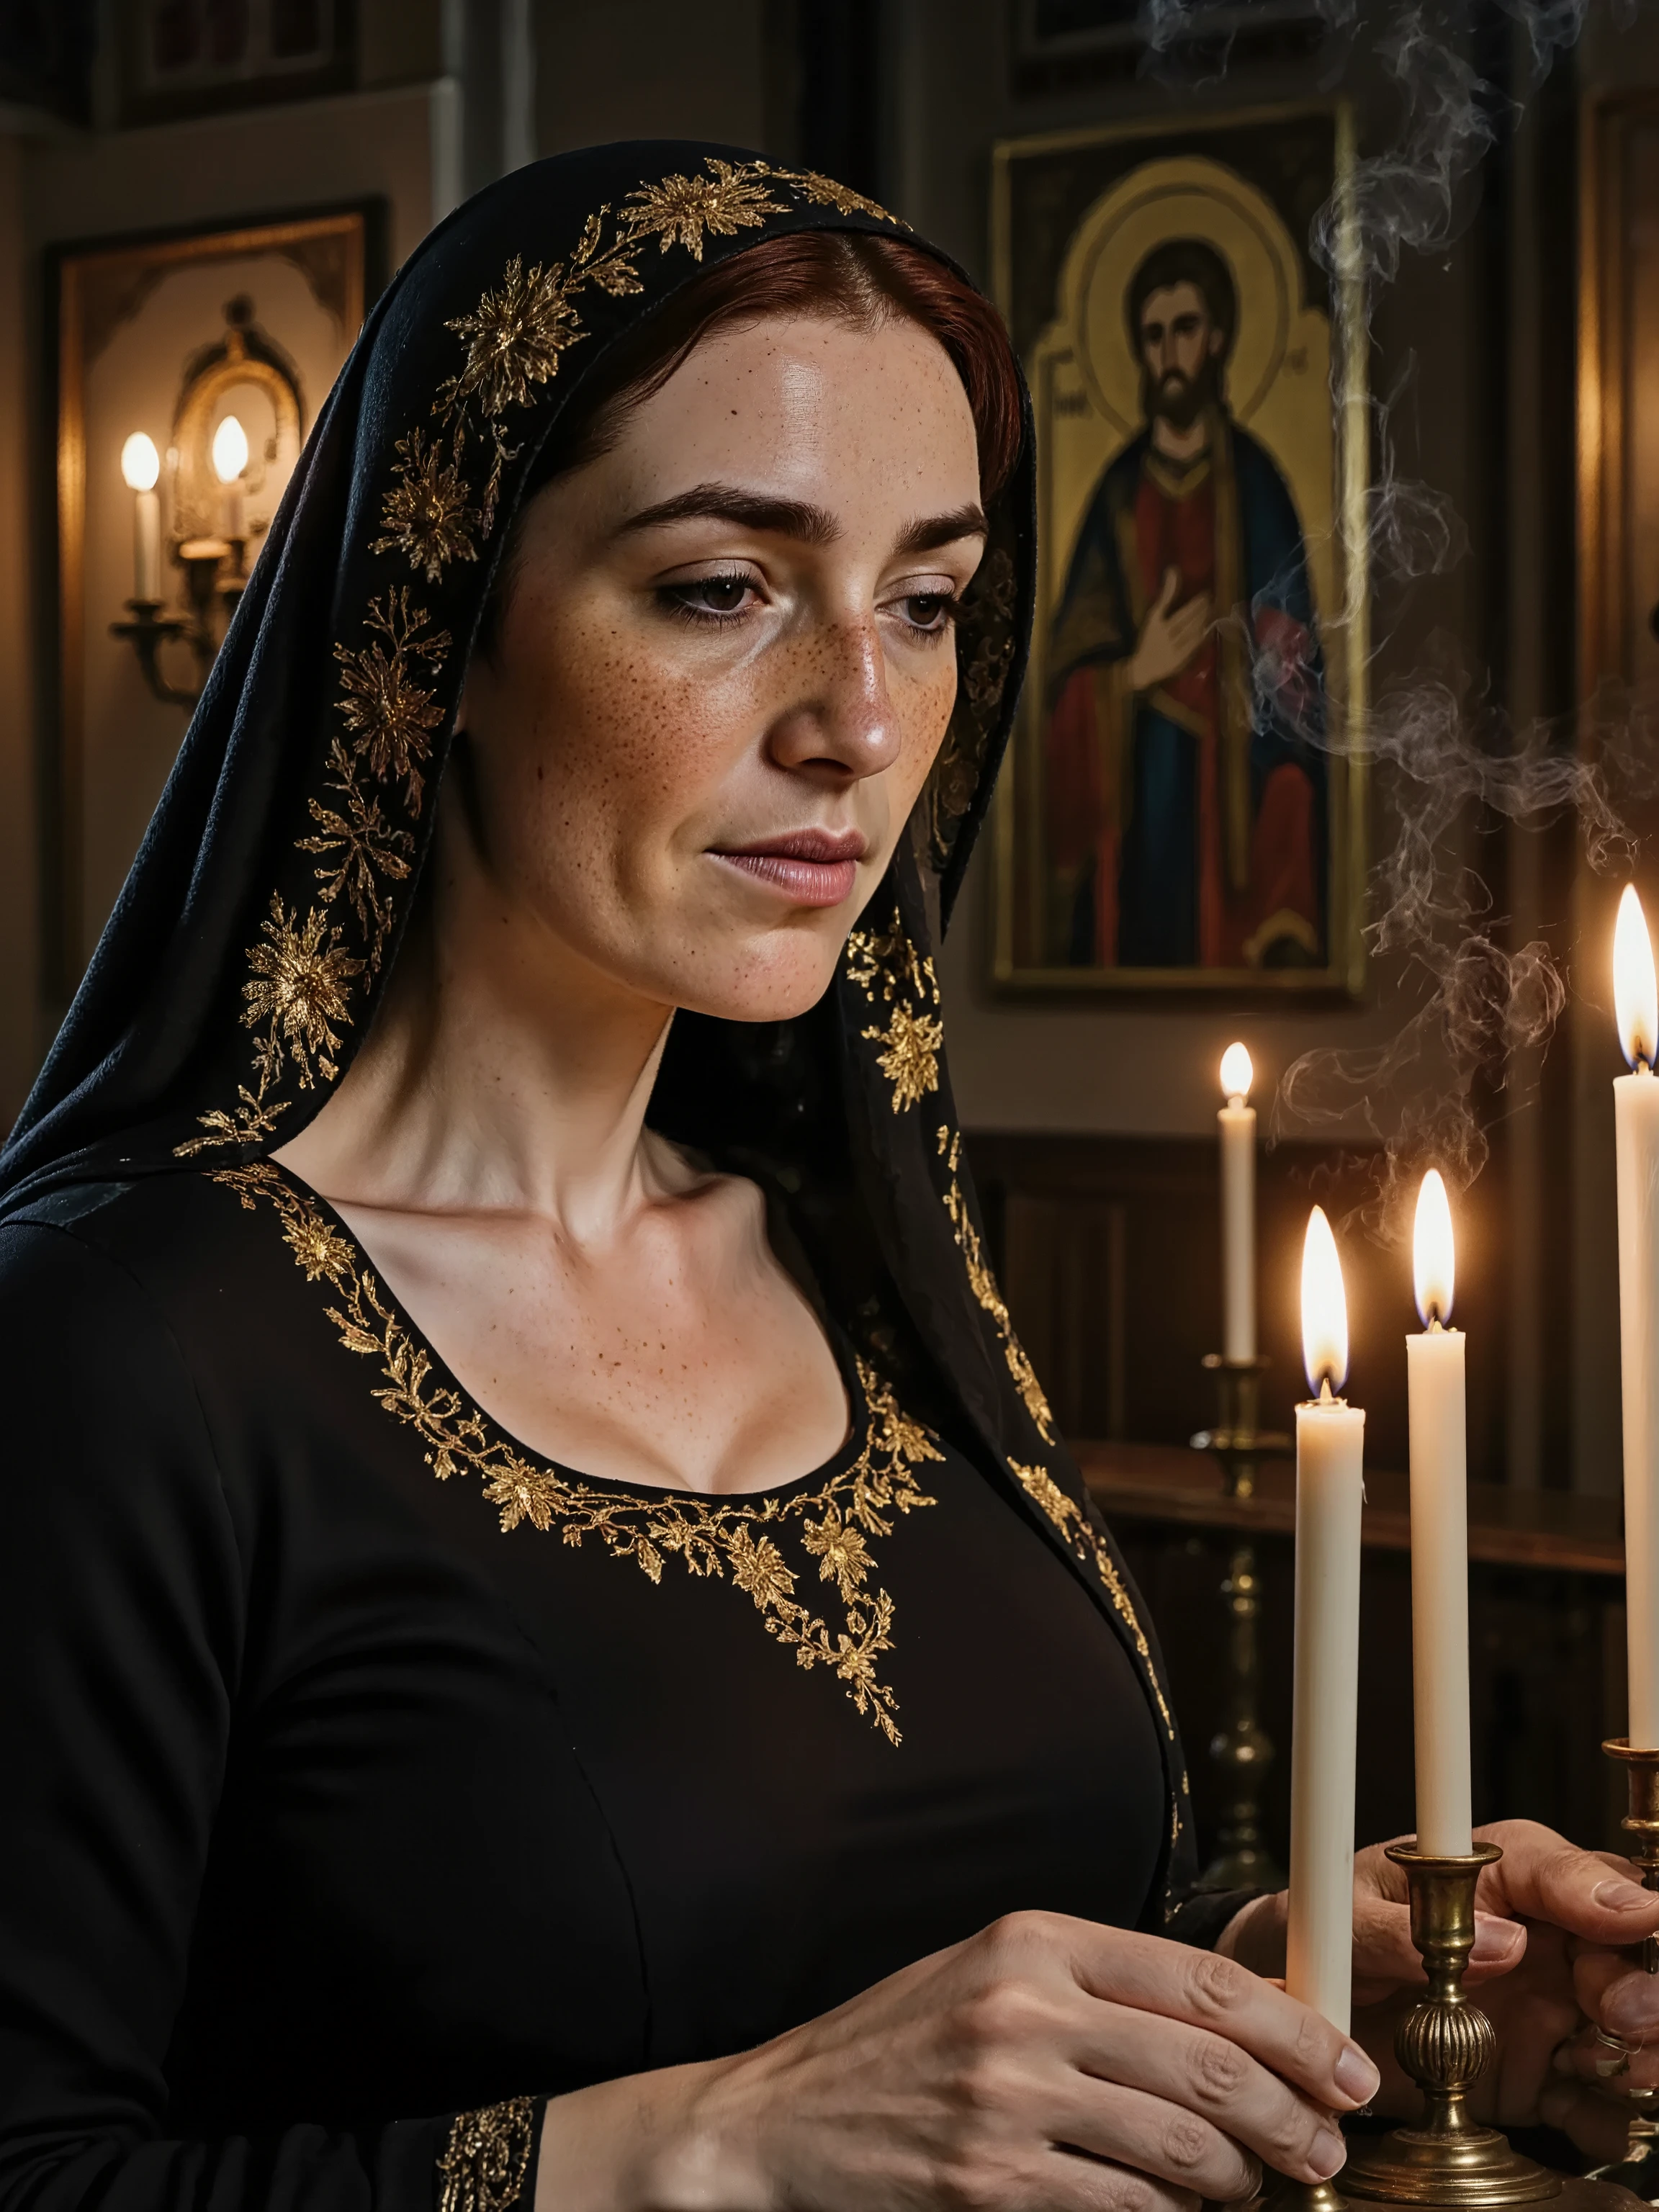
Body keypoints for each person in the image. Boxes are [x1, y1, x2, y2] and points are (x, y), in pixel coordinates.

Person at [0, 141, 1650, 2212]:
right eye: (720, 587)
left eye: (932, 604)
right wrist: (700, 2153)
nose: (863, 721)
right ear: (442, 624)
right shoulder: (116, 1340)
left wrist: (1329, 2001)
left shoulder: (847, 1256)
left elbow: (988, 1968)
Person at [1044, 238, 1326, 971]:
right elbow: (1063, 668)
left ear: (1219, 338)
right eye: (1154, 334)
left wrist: (1257, 656)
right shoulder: (1115, 494)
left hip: (1236, 768)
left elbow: (1298, 657)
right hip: (1141, 773)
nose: (1171, 352)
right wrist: (1135, 672)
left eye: (1186, 329)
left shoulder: (1258, 484)